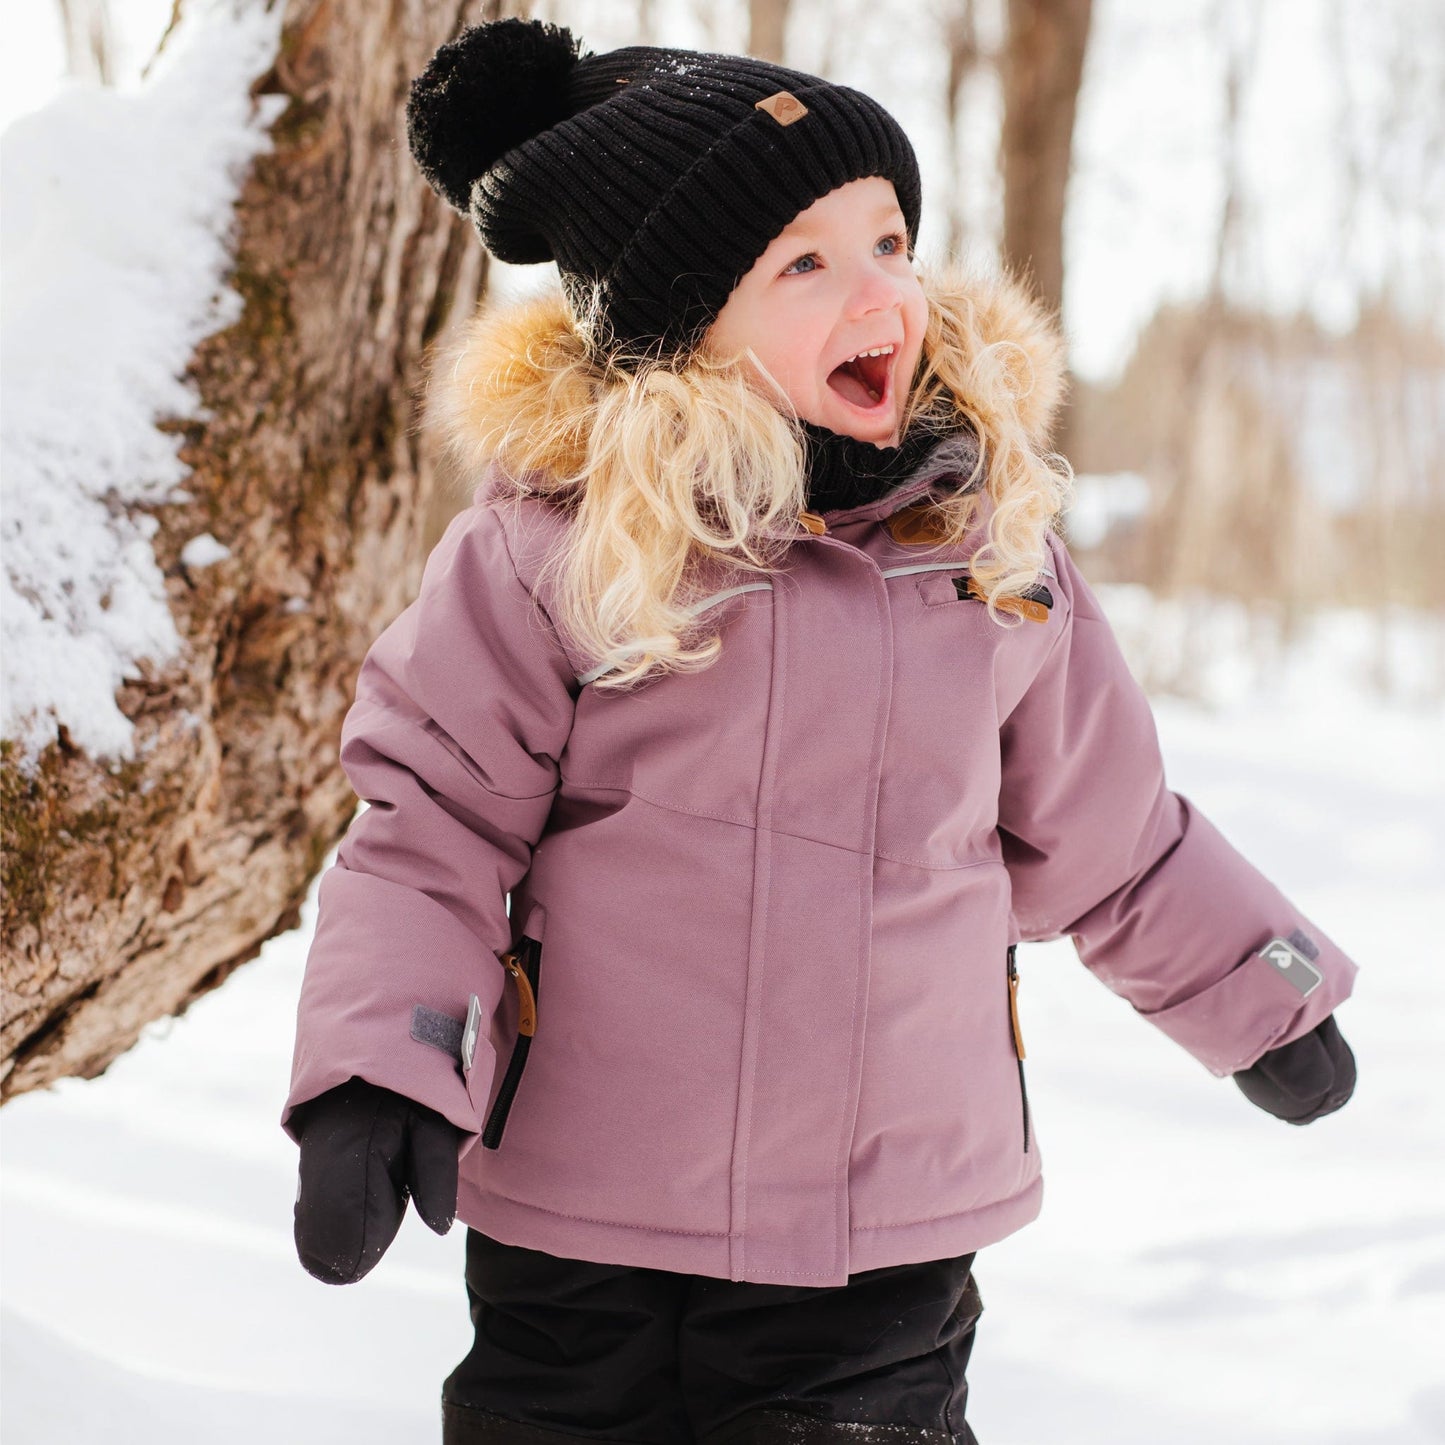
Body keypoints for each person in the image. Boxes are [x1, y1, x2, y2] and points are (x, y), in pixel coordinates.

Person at [281, 19, 1360, 1445]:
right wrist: (379, 1065)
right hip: (581, 1220)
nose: (880, 293)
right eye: (805, 262)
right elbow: (432, 829)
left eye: (889, 241)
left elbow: (1110, 831)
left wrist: (1254, 989)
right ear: (678, 321)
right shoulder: (557, 553)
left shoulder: (986, 545)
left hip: (878, 1228)